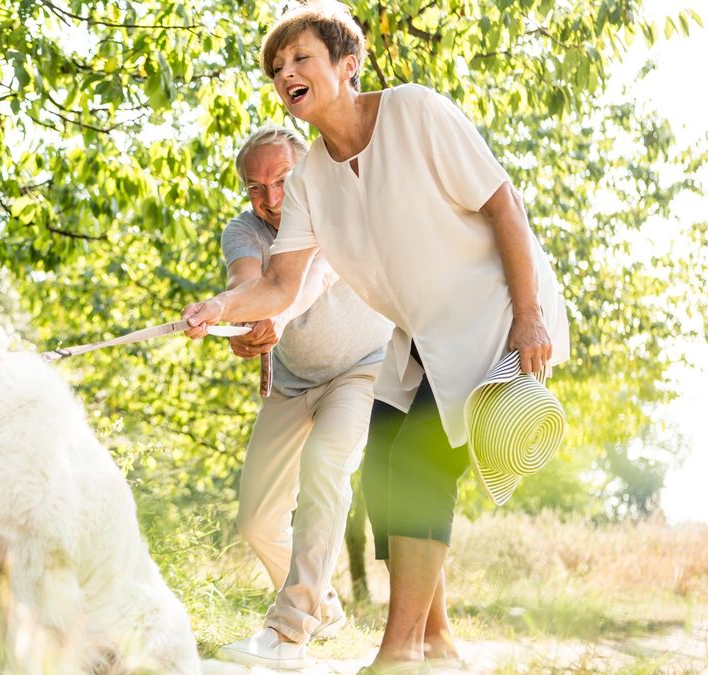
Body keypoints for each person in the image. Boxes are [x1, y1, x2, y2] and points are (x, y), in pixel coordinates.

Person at [182, 3, 570, 673]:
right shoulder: (309, 179)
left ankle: (399, 653)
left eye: (302, 58)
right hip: (417, 336)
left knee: (419, 467)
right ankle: (438, 638)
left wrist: (528, 316)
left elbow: (503, 202)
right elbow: (279, 285)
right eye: (277, 68)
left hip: (492, 313)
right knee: (382, 476)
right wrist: (218, 307)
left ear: (348, 63)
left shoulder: (414, 112)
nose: (287, 73)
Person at [214, 126, 393, 670]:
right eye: (255, 187)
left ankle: (289, 630)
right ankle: (324, 605)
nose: (269, 200)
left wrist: (274, 315)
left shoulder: (339, 211)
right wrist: (237, 318)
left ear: (305, 175)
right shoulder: (243, 229)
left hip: (363, 369)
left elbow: (311, 279)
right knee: (258, 519)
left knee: (326, 466)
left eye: (281, 182)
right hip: (292, 380)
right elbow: (248, 281)